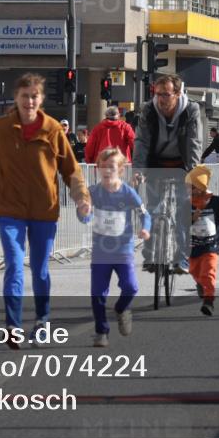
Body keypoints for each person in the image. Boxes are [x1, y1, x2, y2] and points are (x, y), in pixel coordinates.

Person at [0, 73, 91, 348]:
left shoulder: (54, 130)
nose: (29, 101)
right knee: (14, 265)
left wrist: (81, 197)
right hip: (9, 210)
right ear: (17, 99)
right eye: (24, 96)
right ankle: (13, 325)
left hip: (45, 210)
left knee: (41, 270)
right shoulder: (1, 129)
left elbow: (71, 170)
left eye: (34, 97)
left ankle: (42, 320)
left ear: (41, 99)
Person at [133, 74, 203, 274]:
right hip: (157, 163)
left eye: (166, 94)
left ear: (178, 93)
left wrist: (193, 173)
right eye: (158, 94)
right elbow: (142, 141)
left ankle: (182, 258)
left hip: (181, 164)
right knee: (154, 210)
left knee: (182, 212)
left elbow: (194, 142)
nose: (161, 99)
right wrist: (139, 171)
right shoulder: (149, 110)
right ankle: (151, 256)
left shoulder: (191, 110)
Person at [83, 147, 150, 348]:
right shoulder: (93, 191)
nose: (106, 170)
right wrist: (84, 212)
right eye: (102, 166)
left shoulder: (128, 193)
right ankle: (101, 332)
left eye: (111, 166)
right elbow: (83, 215)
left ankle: (122, 309)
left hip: (123, 250)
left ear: (120, 170)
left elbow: (144, 214)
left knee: (131, 287)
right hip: (101, 251)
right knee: (98, 294)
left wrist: (145, 229)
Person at [186, 164, 219, 316]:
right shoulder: (186, 202)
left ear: (200, 187)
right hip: (193, 245)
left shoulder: (214, 201)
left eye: (191, 187)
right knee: (194, 271)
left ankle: (209, 301)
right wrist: (194, 215)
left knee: (208, 272)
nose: (188, 190)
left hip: (211, 245)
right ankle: (201, 283)